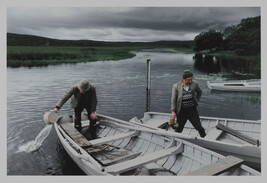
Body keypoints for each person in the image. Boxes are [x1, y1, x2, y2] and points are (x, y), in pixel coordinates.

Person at [170, 70, 206, 137]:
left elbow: (199, 92)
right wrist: (173, 111)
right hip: (181, 111)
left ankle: (205, 138)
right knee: (178, 129)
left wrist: (196, 100)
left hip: (192, 110)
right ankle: (176, 140)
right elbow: (173, 99)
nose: (190, 81)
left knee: (198, 127)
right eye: (189, 80)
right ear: (184, 79)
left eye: (191, 79)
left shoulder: (194, 83)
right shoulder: (176, 86)